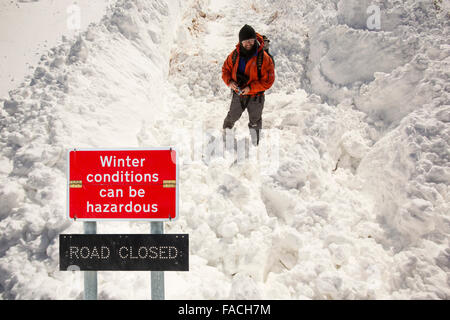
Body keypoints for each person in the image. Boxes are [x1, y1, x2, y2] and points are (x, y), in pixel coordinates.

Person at [222, 24, 275, 146]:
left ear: (255, 40)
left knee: (255, 121)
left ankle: (255, 144)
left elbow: (268, 81)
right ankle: (225, 136)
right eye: (245, 41)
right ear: (241, 42)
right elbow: (225, 70)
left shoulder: (264, 58)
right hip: (239, 94)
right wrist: (229, 82)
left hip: (256, 97)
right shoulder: (234, 55)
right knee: (232, 116)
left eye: (251, 40)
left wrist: (251, 88)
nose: (248, 44)